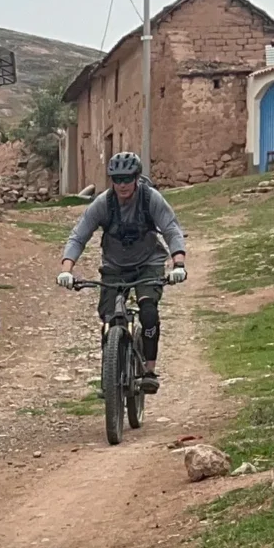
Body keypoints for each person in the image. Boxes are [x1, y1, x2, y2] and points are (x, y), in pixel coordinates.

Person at [56, 150, 187, 388]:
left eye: (128, 178)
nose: (123, 184)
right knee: (108, 318)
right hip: (115, 267)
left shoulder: (150, 199)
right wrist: (67, 270)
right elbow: (78, 236)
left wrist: (178, 264)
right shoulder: (103, 203)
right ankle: (110, 374)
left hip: (148, 264)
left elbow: (171, 228)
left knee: (148, 312)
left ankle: (149, 370)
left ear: (137, 178)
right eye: (117, 179)